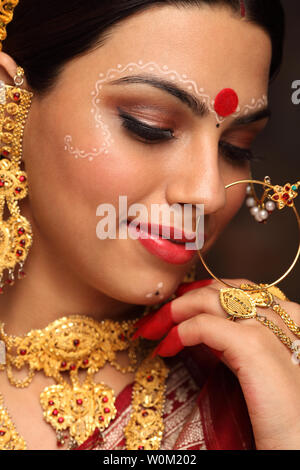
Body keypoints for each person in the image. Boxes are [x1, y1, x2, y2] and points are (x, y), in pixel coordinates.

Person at [0, 0, 298, 451]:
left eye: (236, 147)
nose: (208, 193)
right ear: (10, 102)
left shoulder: (264, 380)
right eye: (149, 127)